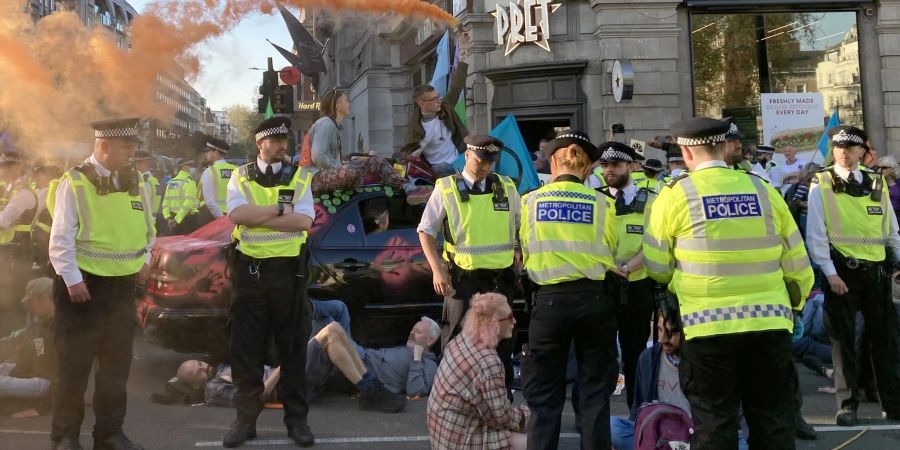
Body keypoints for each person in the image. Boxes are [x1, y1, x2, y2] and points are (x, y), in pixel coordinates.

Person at [643, 117, 814, 449]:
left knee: (714, 424)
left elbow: (657, 267)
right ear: (724, 147)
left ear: (686, 153)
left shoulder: (675, 195)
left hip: (706, 329)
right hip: (769, 325)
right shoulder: (762, 188)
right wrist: (791, 307)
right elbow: (797, 264)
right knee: (773, 423)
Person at [49, 117, 154, 450]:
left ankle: (109, 435)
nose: (132, 154)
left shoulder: (139, 181)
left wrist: (145, 261)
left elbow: (150, 230)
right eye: (127, 147)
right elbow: (60, 237)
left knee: (115, 369)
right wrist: (73, 280)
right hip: (83, 290)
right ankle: (65, 437)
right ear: (104, 146)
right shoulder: (76, 182)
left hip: (122, 290)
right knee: (73, 370)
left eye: (134, 148)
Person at [519, 130, 619, 448]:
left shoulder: (530, 201)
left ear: (551, 162)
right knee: (594, 396)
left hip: (548, 305)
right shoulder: (603, 202)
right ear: (588, 167)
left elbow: (526, 249)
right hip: (595, 301)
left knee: (544, 398)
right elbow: (611, 248)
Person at [222, 116, 315, 448]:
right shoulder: (240, 176)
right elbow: (237, 216)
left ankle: (297, 422)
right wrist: (279, 210)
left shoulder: (299, 177)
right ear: (260, 143)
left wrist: (260, 214)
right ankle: (245, 422)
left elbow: (304, 221)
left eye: (284, 141)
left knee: (292, 350)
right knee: (245, 350)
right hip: (249, 274)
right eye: (275, 141)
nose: (282, 147)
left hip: (289, 274)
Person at [806, 125, 900, 426]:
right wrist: (830, 273)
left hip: (876, 273)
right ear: (833, 150)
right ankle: (847, 405)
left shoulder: (877, 182)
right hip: (842, 273)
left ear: (863, 151)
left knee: (885, 339)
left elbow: (891, 230)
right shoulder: (821, 183)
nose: (844, 152)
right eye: (838, 147)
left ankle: (892, 401)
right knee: (842, 341)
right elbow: (816, 235)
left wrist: (897, 262)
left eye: (850, 147)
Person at [417, 135, 520, 393]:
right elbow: (425, 231)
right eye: (480, 160)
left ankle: (500, 398)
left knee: (501, 341)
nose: (485, 166)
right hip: (462, 279)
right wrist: (437, 270)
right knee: (456, 341)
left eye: (490, 161)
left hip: (499, 278)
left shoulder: (506, 187)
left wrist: (520, 254)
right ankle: (451, 397)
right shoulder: (447, 187)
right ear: (466, 156)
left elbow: (522, 227)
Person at [610, 310, 750, 450]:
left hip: (701, 434)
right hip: (661, 434)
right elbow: (639, 409)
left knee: (744, 443)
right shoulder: (648, 358)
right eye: (659, 330)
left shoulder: (707, 361)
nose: (663, 339)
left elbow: (738, 411)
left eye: (672, 333)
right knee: (612, 427)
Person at [596, 141, 656, 410]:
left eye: (616, 165)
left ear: (632, 166)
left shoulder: (652, 200)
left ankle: (638, 412)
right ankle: (599, 421)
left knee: (635, 354)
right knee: (602, 355)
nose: (609, 170)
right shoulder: (594, 198)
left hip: (636, 286)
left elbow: (654, 243)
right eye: (605, 165)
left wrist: (628, 268)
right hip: (603, 285)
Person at [427, 293, 529, 450]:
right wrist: (528, 415)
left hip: (441, 432)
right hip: (458, 441)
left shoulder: (462, 338)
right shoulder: (489, 361)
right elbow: (502, 416)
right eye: (509, 317)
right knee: (534, 441)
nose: (514, 321)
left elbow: (485, 407)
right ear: (492, 323)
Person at [306, 318, 439, 411]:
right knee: (332, 324)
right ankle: (368, 386)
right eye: (413, 329)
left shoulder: (429, 364)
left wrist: (417, 359)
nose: (411, 333)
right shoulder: (406, 349)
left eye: (418, 332)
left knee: (329, 331)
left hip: (359, 366)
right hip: (361, 356)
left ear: (430, 340)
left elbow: (415, 391)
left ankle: (369, 388)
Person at [308, 89, 409, 197]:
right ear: (337, 106)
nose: (349, 104)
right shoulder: (326, 123)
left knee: (376, 161)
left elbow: (330, 158)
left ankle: (407, 187)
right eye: (346, 101)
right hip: (317, 177)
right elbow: (317, 156)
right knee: (351, 174)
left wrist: (347, 162)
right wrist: (340, 167)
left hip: (329, 172)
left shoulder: (333, 125)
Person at [400, 32, 470, 179]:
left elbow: (457, 86)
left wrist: (463, 54)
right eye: (433, 99)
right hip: (438, 171)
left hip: (460, 161)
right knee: (441, 167)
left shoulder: (445, 108)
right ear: (421, 103)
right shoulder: (416, 126)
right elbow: (407, 152)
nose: (438, 101)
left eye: (438, 97)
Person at [0, 278, 56, 418]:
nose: (28, 307)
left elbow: (66, 372)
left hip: (46, 382)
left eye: (31, 302)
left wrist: (42, 407)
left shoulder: (60, 328)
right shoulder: (39, 324)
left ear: (44, 298)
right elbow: (27, 360)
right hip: (33, 374)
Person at [0, 150, 38, 336]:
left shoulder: (23, 194)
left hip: (17, 252)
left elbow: (4, 222)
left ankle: (14, 340)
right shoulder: (10, 190)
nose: (2, 170)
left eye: (6, 166)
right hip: (9, 250)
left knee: (13, 298)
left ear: (17, 168)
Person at [30, 161, 64, 274]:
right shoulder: (61, 188)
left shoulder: (47, 191)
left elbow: (32, 213)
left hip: (42, 237)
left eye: (39, 176)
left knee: (38, 269)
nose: (36, 179)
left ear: (48, 175)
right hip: (53, 237)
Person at [199, 137, 236, 221]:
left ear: (215, 152)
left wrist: (223, 220)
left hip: (214, 219)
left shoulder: (209, 172)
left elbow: (209, 202)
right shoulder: (236, 170)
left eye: (208, 151)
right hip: (234, 217)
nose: (206, 154)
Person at [161, 158, 199, 235]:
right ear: (183, 167)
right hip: (188, 220)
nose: (192, 168)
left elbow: (165, 203)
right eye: (190, 165)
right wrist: (177, 219)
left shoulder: (171, 182)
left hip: (172, 220)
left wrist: (168, 218)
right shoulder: (189, 182)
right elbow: (188, 203)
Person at [132, 151, 161, 218]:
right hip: (153, 219)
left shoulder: (144, 181)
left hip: (144, 220)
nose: (135, 165)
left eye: (136, 163)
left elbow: (143, 205)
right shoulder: (154, 180)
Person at [876, 155, 900, 219]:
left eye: (884, 167)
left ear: (892, 168)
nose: (880, 170)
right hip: (883, 217)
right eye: (878, 167)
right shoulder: (876, 183)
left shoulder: (898, 184)